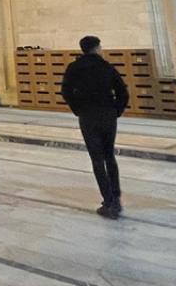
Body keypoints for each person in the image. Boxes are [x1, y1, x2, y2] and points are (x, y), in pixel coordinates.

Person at [61, 35, 129, 219]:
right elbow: (123, 91)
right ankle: (116, 198)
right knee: (109, 156)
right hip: (108, 115)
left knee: (97, 159)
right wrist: (116, 110)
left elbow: (66, 91)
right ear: (97, 48)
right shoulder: (106, 66)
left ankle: (108, 201)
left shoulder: (74, 68)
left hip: (88, 116)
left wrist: (78, 109)